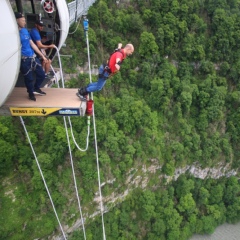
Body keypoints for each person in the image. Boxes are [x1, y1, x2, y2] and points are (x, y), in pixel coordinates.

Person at [16, 12, 48, 101]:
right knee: (28, 78)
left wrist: (42, 56)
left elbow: (32, 44)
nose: (24, 22)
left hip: (32, 56)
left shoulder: (25, 31)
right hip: (24, 59)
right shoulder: (15, 33)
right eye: (23, 20)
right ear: (17, 21)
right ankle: (31, 93)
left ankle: (36, 88)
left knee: (41, 74)